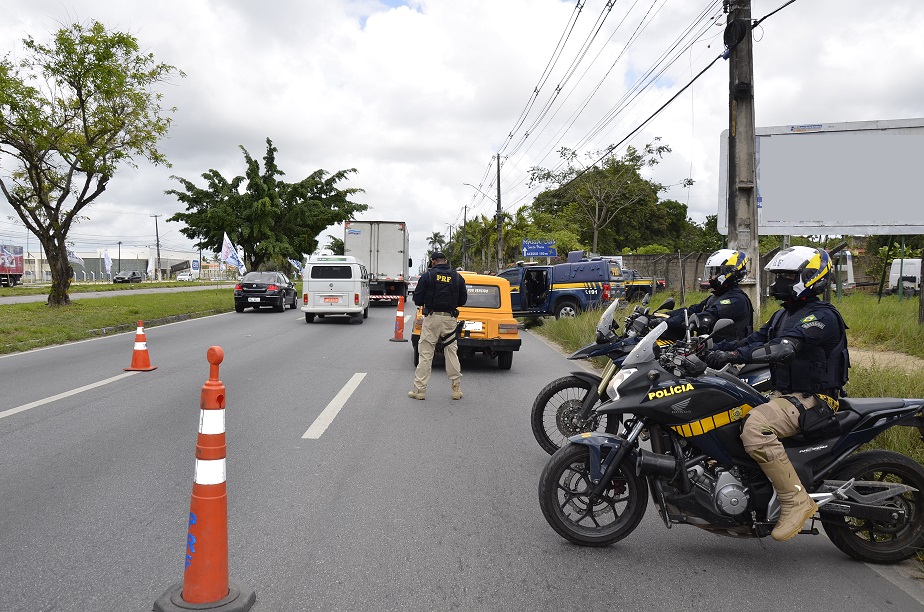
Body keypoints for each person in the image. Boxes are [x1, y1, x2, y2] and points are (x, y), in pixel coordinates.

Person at [705, 246, 849, 541]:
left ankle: (796, 501)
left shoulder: (821, 317)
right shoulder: (784, 314)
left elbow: (784, 347)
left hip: (815, 399)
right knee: (723, 416)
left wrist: (732, 354)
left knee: (756, 427)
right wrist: (707, 350)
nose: (780, 281)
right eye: (779, 275)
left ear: (811, 277)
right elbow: (753, 340)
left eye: (788, 275)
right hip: (786, 396)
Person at [409, 251, 468, 401]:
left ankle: (419, 391)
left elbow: (417, 299)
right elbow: (463, 300)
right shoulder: (457, 277)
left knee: (426, 354)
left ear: (433, 262)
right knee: (451, 353)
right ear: (446, 261)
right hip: (450, 319)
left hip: (432, 319)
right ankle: (456, 389)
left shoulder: (428, 276)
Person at [665, 249, 754, 341]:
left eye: (714, 272)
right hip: (710, 349)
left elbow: (705, 316)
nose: (711, 276)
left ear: (728, 272)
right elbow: (692, 310)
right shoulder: (716, 297)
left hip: (726, 351)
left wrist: (667, 323)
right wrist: (665, 316)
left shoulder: (736, 300)